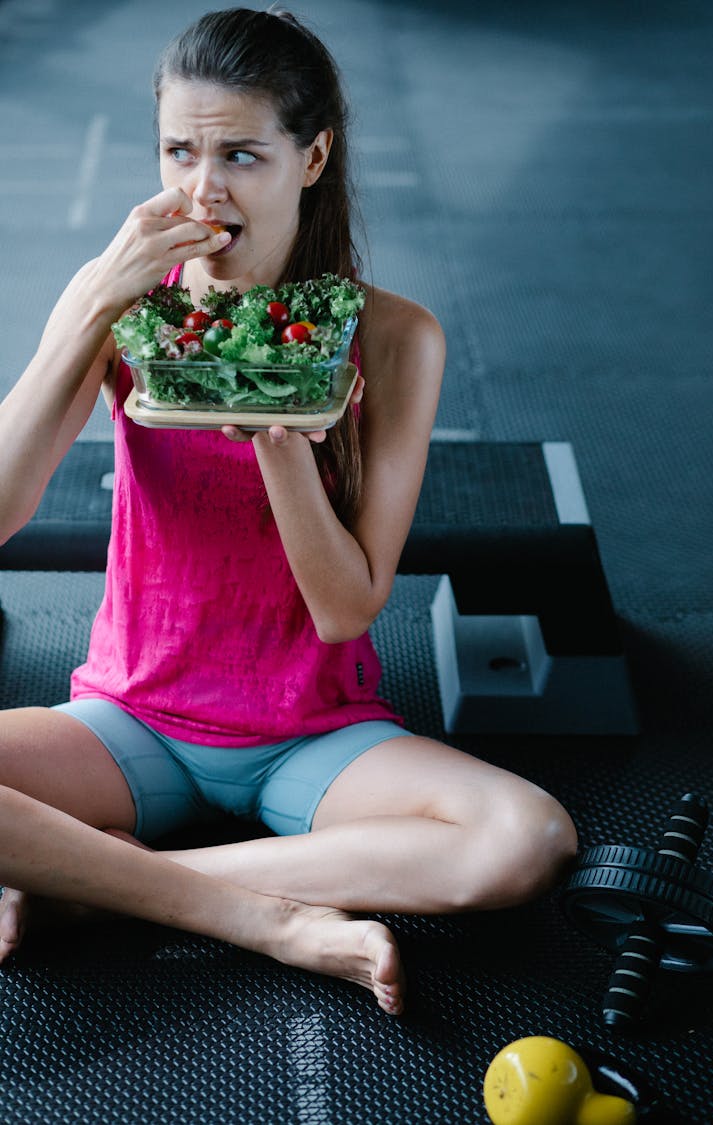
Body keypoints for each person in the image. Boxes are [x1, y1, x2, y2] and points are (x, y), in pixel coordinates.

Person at [0, 8, 577, 1014]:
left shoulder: (397, 337)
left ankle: (98, 882)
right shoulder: (120, 306)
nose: (202, 188)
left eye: (241, 155)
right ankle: (261, 914)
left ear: (312, 158)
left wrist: (278, 433)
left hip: (313, 737)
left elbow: (347, 611)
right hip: (129, 719)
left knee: (525, 840)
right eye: (180, 149)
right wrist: (94, 304)